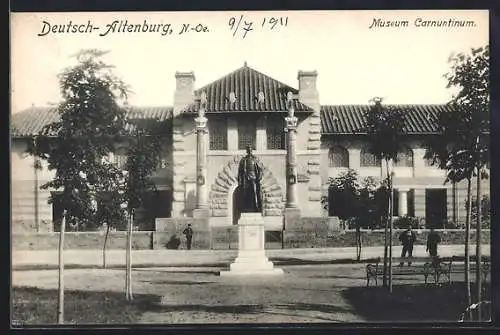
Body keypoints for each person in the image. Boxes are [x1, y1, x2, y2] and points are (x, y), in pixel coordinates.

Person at [237, 146, 262, 213]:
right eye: (248, 150)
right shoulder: (243, 160)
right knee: (245, 193)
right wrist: (239, 180)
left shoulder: (255, 159)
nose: (250, 152)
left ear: (252, 151)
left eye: (251, 150)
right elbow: (240, 171)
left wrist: (259, 177)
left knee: (255, 192)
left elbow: (259, 169)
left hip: (254, 178)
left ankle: (256, 206)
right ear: (247, 151)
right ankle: (245, 207)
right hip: (246, 178)